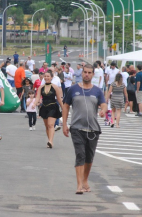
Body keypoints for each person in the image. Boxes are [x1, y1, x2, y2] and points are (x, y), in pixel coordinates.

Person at [62, 64, 107, 194]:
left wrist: (103, 111)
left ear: (93, 74)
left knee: (89, 157)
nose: (87, 74)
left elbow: (103, 104)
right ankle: (79, 185)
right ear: (81, 74)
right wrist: (65, 124)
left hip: (93, 129)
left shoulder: (97, 91)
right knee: (80, 155)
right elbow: (65, 106)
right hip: (77, 128)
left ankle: (85, 180)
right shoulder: (73, 89)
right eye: (85, 72)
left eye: (89, 72)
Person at [33, 70, 63, 148]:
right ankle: (49, 140)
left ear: (51, 77)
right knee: (47, 126)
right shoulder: (41, 87)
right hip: (44, 107)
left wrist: (63, 108)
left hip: (53, 107)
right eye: (45, 76)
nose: (46, 77)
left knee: (50, 125)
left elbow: (59, 99)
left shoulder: (55, 87)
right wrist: (34, 104)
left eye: (48, 76)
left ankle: (50, 141)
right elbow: (38, 97)